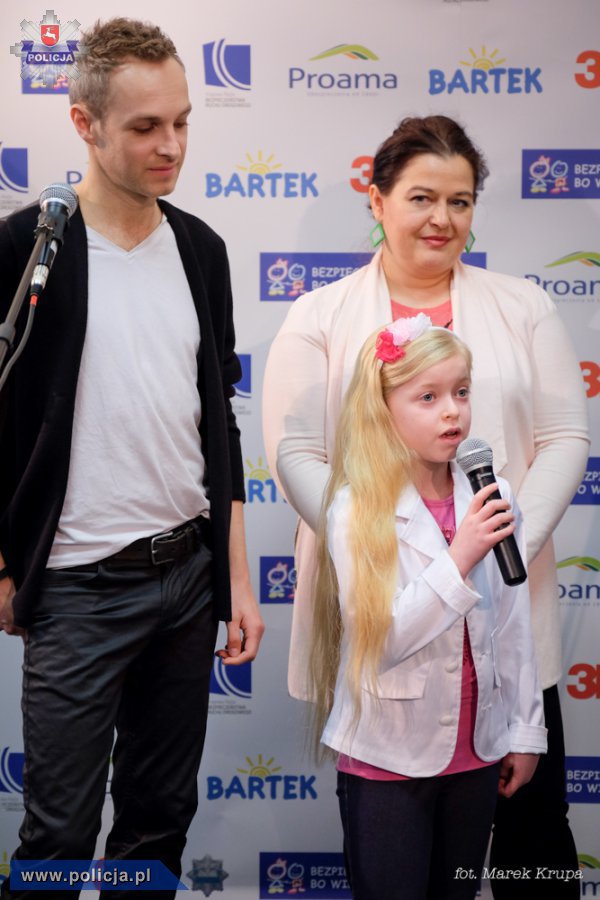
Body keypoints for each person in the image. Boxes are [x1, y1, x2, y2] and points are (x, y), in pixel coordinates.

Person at [263, 115, 589, 898]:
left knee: (531, 835)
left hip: (504, 605)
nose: (442, 218)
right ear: (377, 199)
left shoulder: (523, 306)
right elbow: (295, 451)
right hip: (385, 606)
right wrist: (370, 539)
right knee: (397, 843)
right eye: (420, 198)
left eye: (460, 201)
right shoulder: (320, 315)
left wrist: (500, 546)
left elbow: (565, 437)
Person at [0, 17, 263, 897]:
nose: (171, 145)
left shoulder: (201, 250)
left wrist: (235, 578)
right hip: (76, 587)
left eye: (182, 122)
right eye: (146, 126)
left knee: (158, 821)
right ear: (84, 123)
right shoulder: (24, 250)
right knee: (57, 838)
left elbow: (219, 425)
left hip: (186, 583)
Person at [310, 315, 547, 900]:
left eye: (461, 392)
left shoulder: (492, 493)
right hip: (388, 757)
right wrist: (459, 556)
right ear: (383, 408)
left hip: (477, 753)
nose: (452, 413)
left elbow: (513, 624)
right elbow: (382, 641)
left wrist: (524, 731)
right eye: (428, 397)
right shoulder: (356, 508)